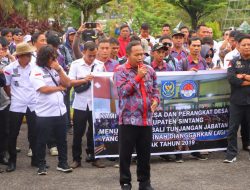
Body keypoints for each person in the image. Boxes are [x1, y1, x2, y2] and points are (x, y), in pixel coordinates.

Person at [114, 41, 160, 190]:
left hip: (146, 119)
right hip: (128, 120)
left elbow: (155, 90)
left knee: (144, 154)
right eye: (137, 54)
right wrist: (138, 77)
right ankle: (125, 182)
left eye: (142, 54)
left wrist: (155, 100)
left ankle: (144, 183)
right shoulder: (120, 71)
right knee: (125, 155)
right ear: (128, 55)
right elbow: (122, 92)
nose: (141, 57)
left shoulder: (150, 70)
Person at [29, 45, 72, 175]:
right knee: (42, 140)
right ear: (44, 58)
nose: (54, 60)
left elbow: (67, 83)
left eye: (54, 57)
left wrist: (59, 70)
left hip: (60, 111)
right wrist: (59, 88)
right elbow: (43, 89)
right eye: (51, 58)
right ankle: (41, 164)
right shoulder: (36, 71)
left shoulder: (55, 68)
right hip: (45, 112)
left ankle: (63, 163)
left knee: (62, 139)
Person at [68, 41, 106, 169]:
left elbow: (105, 82)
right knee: (78, 132)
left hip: (96, 103)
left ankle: (95, 157)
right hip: (80, 104)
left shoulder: (100, 65)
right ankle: (76, 159)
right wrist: (84, 80)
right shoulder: (76, 65)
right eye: (89, 55)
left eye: (94, 55)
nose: (92, 58)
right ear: (83, 52)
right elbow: (69, 82)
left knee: (95, 132)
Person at [3, 42, 37, 172]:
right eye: (26, 55)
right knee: (13, 134)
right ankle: (12, 161)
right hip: (17, 105)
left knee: (34, 133)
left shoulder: (35, 67)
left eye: (29, 55)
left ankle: (36, 159)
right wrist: (13, 96)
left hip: (33, 104)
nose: (28, 58)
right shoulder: (9, 68)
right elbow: (7, 86)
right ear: (19, 56)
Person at [224, 34, 250, 163]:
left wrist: (243, 76)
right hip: (237, 101)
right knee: (233, 128)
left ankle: (247, 144)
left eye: (249, 45)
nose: (246, 47)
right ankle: (231, 154)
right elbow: (232, 79)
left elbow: (238, 78)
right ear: (238, 46)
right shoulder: (233, 61)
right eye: (244, 45)